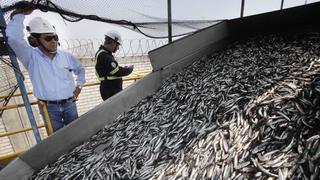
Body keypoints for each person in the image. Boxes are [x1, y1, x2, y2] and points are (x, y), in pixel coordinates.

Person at [5, 3, 86, 132]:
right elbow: (14, 38)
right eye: (48, 38)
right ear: (35, 40)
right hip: (48, 108)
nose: (53, 41)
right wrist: (19, 14)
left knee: (77, 134)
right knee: (56, 141)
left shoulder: (66, 56)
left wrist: (79, 87)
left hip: (69, 104)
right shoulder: (30, 58)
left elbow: (80, 71)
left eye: (55, 37)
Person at [95, 30, 134, 101]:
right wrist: (129, 70)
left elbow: (112, 69)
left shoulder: (104, 54)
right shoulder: (104, 55)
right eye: (117, 45)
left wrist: (122, 68)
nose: (118, 48)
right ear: (113, 42)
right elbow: (116, 71)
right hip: (111, 90)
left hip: (109, 89)